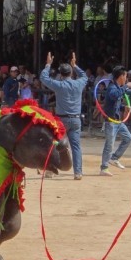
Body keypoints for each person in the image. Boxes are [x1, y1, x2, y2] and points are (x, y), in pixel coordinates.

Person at [40, 51, 87, 180]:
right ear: (71, 73)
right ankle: (78, 172)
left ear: (60, 74)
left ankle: (51, 170)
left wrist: (48, 65)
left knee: (55, 143)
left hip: (62, 119)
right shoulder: (78, 84)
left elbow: (44, 78)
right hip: (76, 119)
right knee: (76, 146)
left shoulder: (59, 85)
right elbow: (84, 76)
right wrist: (75, 65)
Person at [100, 66, 131, 176]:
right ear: (121, 76)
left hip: (118, 121)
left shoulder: (118, 87)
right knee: (109, 145)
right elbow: (114, 96)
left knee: (128, 138)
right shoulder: (112, 87)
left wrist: (124, 108)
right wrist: (125, 87)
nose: (126, 78)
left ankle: (114, 158)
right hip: (110, 122)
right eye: (125, 76)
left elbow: (115, 104)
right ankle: (104, 168)